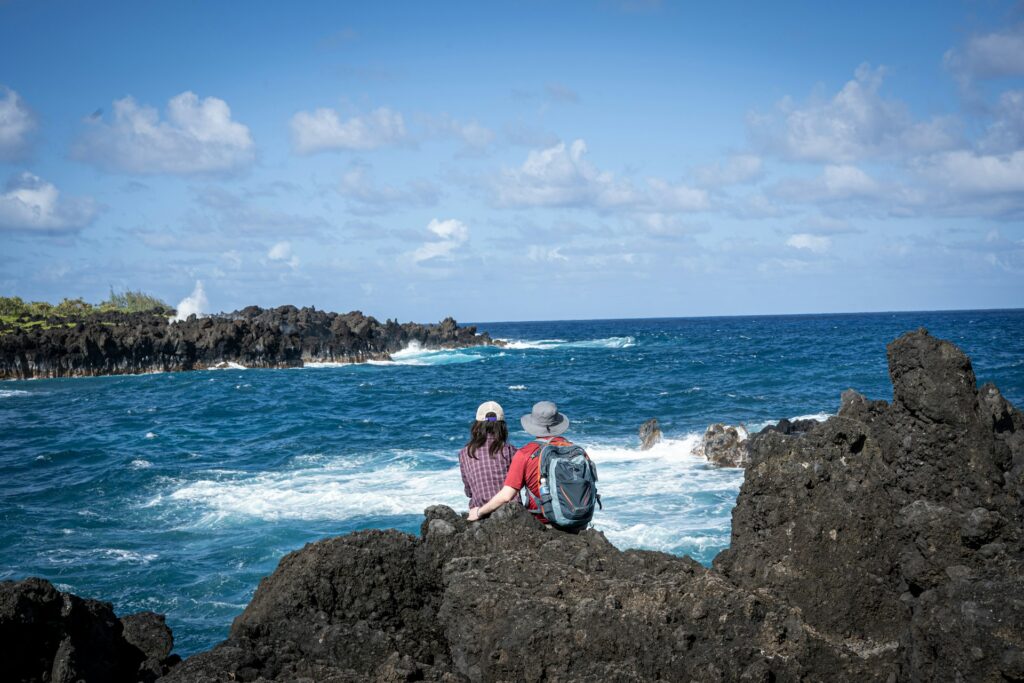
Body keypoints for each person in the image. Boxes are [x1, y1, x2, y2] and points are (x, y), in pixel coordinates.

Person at [468, 400, 573, 523]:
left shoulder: (525, 454)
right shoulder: (577, 451)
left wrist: (479, 512)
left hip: (543, 519)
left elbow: (506, 496)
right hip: (578, 518)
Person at [459, 401, 517, 509]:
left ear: (477, 425)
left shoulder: (464, 453)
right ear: (502, 426)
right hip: (509, 510)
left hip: (479, 510)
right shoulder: (510, 450)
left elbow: (469, 492)